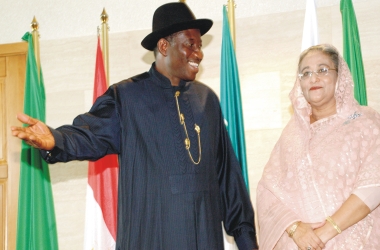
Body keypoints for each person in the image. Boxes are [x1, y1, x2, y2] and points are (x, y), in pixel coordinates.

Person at [11, 2, 258, 249]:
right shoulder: (127, 97)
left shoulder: (207, 100)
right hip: (150, 237)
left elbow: (228, 178)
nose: (199, 53)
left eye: (200, 45)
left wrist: (247, 242)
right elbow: (91, 134)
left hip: (204, 239)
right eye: (190, 44)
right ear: (164, 46)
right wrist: (56, 139)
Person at [256, 44, 380, 249]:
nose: (313, 78)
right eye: (306, 73)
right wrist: (295, 228)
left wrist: (325, 232)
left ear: (339, 76)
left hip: (358, 240)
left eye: (322, 70)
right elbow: (267, 191)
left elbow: (377, 183)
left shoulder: (364, 121)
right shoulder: (291, 136)